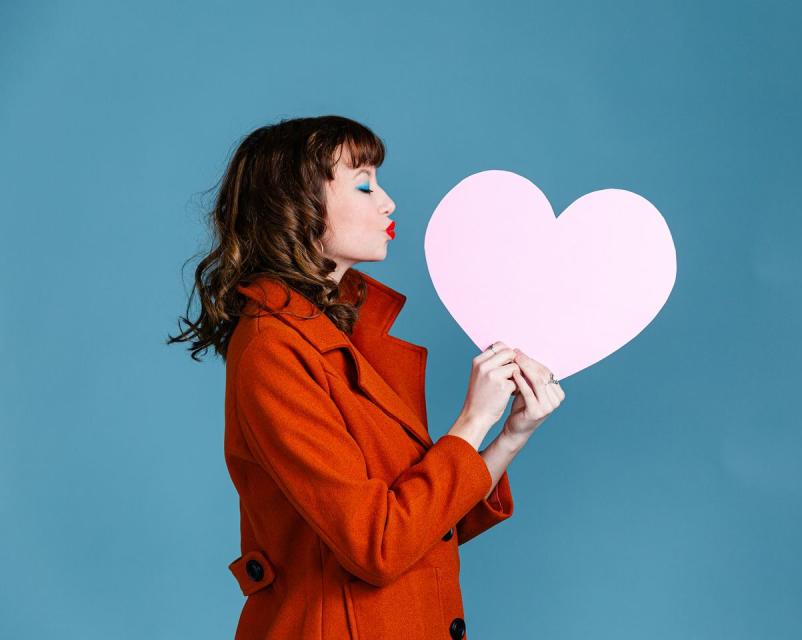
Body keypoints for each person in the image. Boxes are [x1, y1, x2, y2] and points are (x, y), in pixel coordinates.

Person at [167, 115, 565, 639]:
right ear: (296, 205)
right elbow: (378, 545)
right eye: (363, 184)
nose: (388, 202)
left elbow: (427, 524)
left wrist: (511, 434)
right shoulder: (273, 348)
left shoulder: (345, 335)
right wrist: (473, 420)